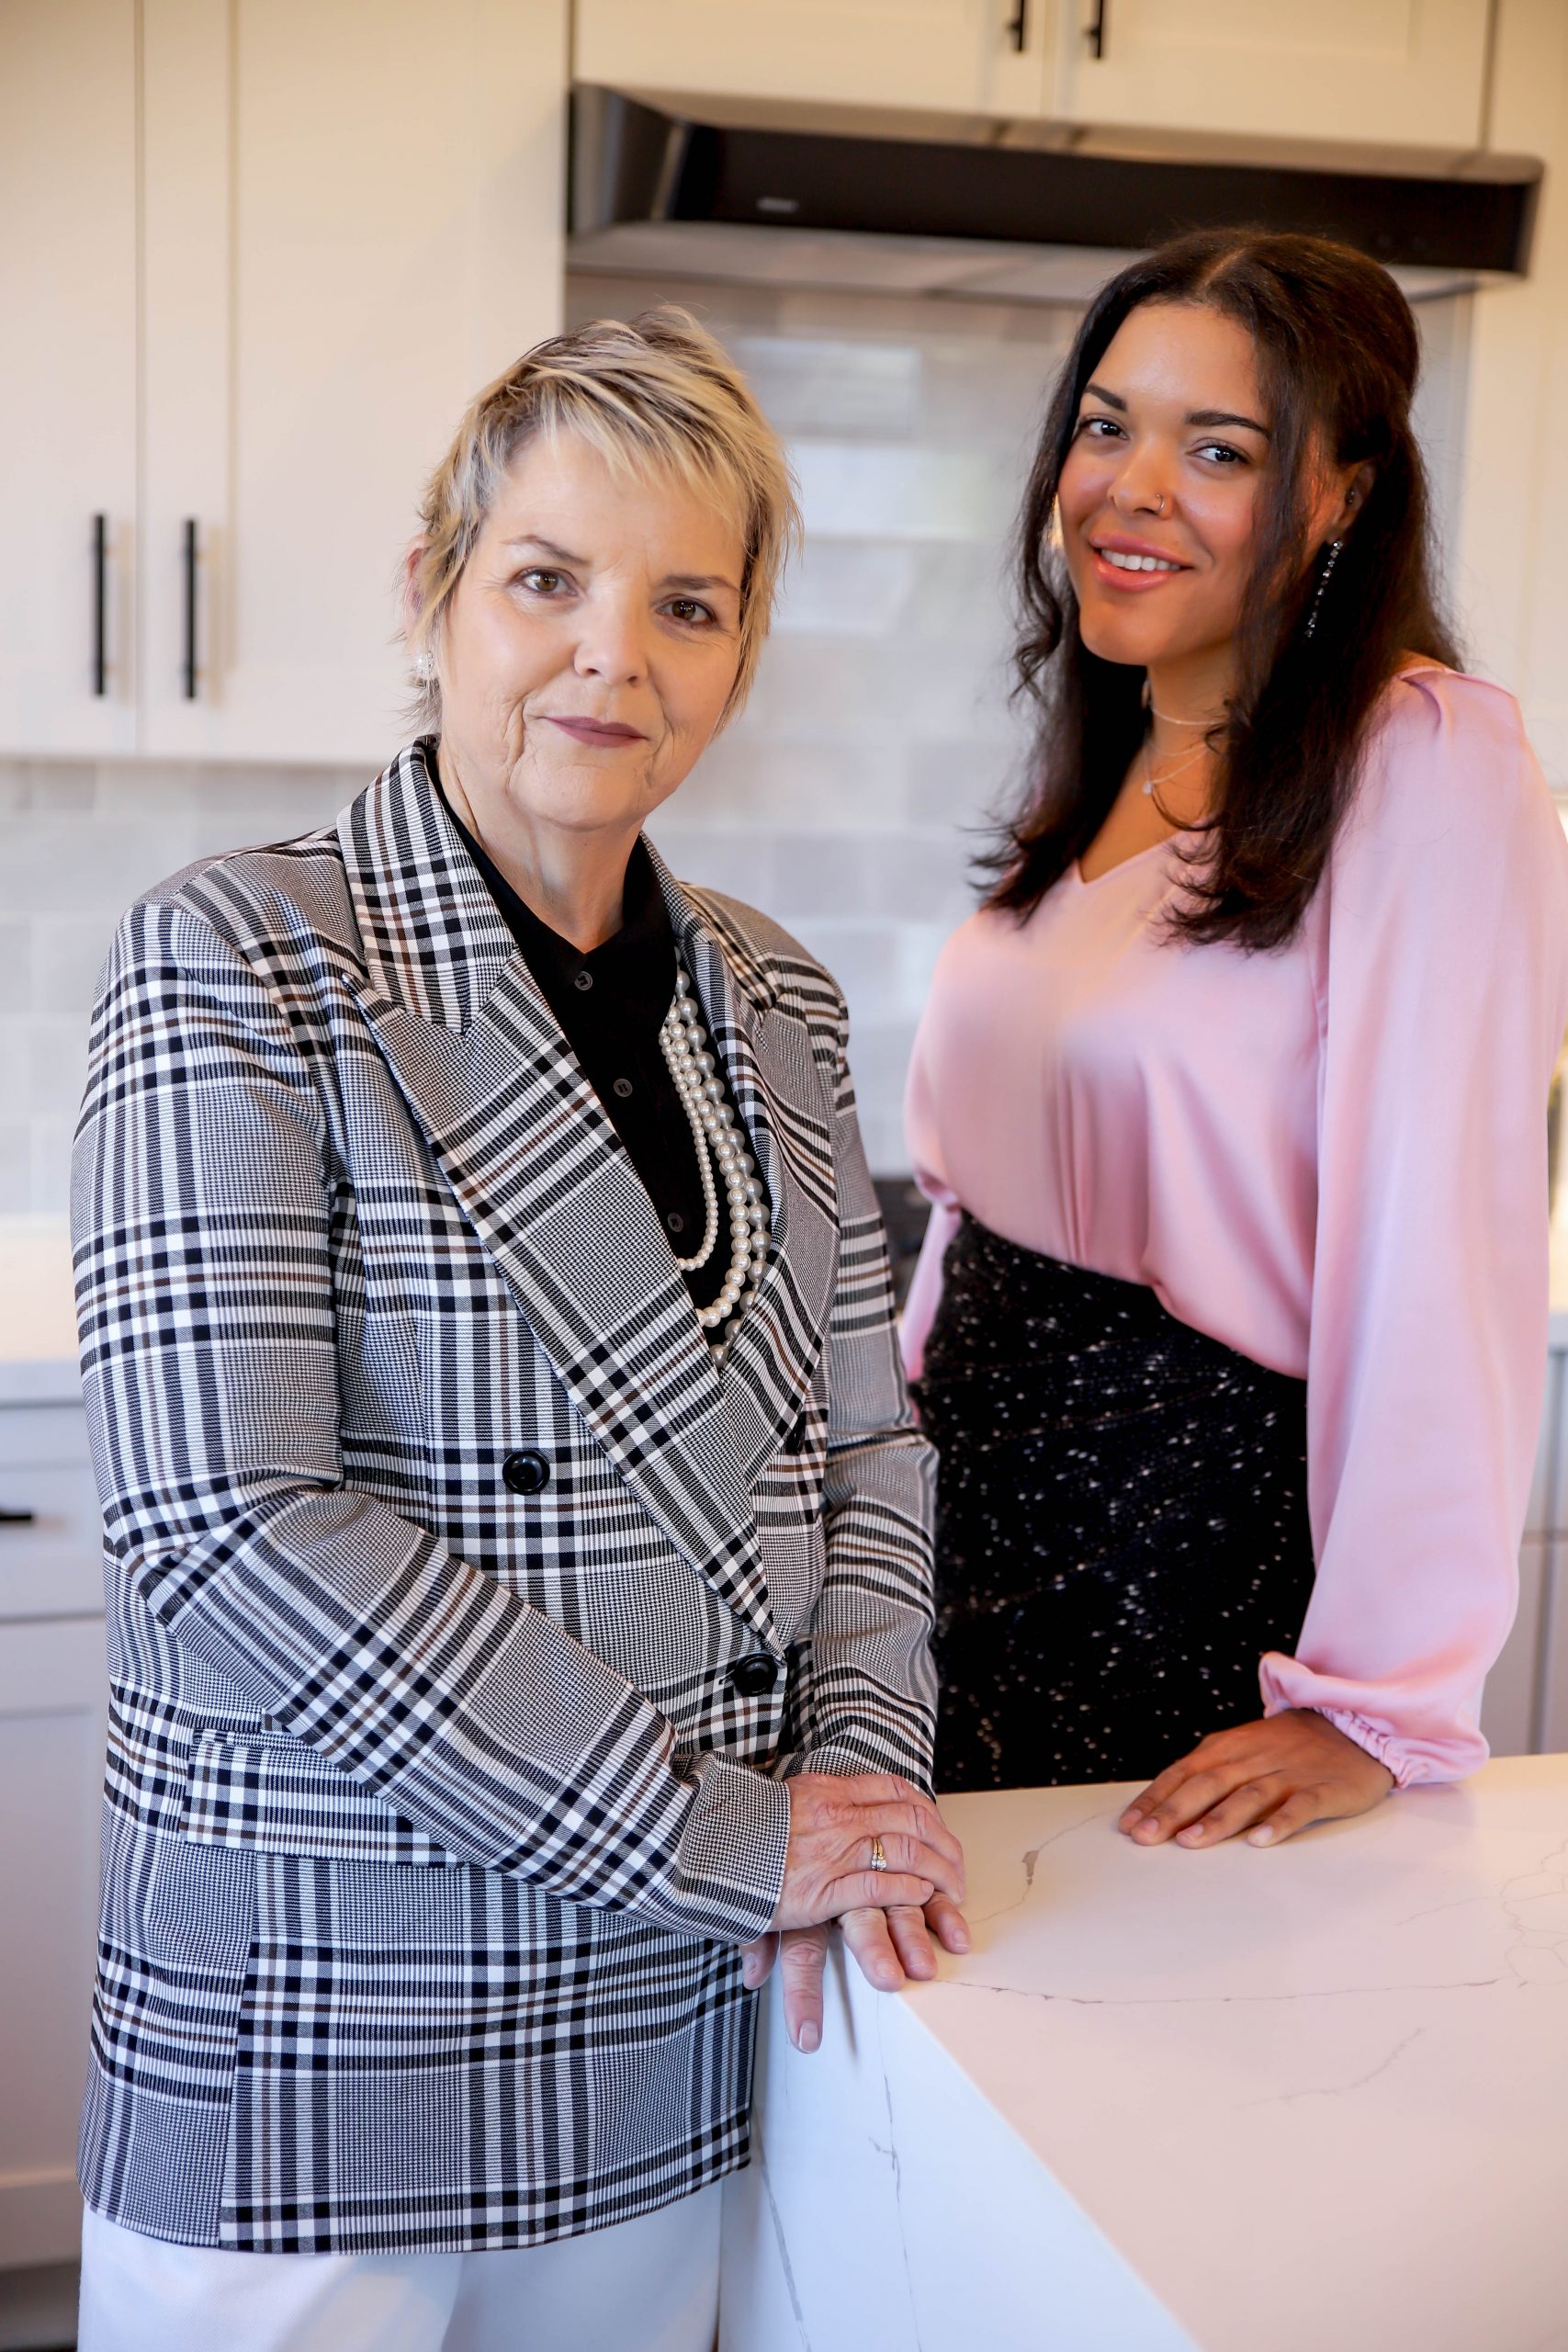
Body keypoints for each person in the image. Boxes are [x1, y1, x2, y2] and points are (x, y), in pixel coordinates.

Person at [72, 310, 966, 2352]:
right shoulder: (240, 957)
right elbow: (230, 1533)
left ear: (741, 652)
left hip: (683, 2007)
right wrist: (736, 1831)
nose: (610, 657)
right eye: (543, 579)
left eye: (685, 603)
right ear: (435, 593)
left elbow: (865, 1455)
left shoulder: (777, 997)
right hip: (332, 2025)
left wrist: (864, 1792)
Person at [903, 230, 1568, 1848]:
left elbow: (1440, 1249)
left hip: (1174, 1549)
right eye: (1107, 424)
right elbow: (965, 1212)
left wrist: (1378, 1702)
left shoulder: (1421, 762)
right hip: (960, 1534)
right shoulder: (1111, 762)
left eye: (1220, 449)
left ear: (1340, 495)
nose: (1130, 486)